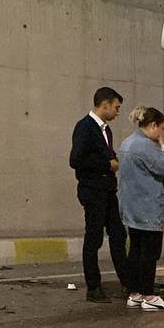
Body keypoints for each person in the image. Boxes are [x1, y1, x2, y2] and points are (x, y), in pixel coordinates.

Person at [69, 87, 127, 302]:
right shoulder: (85, 127)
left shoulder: (106, 130)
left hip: (108, 190)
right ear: (105, 104)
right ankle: (93, 287)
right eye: (116, 107)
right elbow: (75, 160)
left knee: (119, 235)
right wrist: (107, 164)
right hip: (92, 190)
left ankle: (127, 282)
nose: (117, 112)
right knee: (93, 238)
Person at [116, 107, 164, 311]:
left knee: (135, 250)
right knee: (150, 253)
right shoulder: (145, 146)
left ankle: (135, 294)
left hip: (131, 207)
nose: (162, 133)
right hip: (148, 207)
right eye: (162, 128)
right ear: (152, 125)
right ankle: (149, 296)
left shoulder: (127, 143)